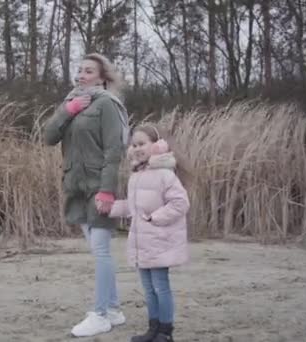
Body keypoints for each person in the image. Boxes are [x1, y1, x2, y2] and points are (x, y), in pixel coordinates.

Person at [43, 53, 130, 337]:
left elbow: (114, 150)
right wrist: (68, 111)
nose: (81, 75)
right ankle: (114, 309)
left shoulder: (106, 103)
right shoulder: (71, 102)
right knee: (97, 251)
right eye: (79, 70)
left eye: (88, 71)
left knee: (102, 251)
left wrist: (106, 189)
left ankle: (101, 314)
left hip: (99, 187)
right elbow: (49, 137)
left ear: (103, 77)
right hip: (76, 187)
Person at [109, 124, 190, 342]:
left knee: (160, 287)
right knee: (148, 287)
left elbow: (180, 203)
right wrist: (112, 208)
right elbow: (135, 207)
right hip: (142, 242)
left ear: (156, 145)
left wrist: (155, 218)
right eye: (134, 145)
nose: (137, 148)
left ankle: (165, 332)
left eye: (142, 143)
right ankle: (153, 329)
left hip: (159, 240)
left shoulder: (165, 174)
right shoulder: (136, 175)